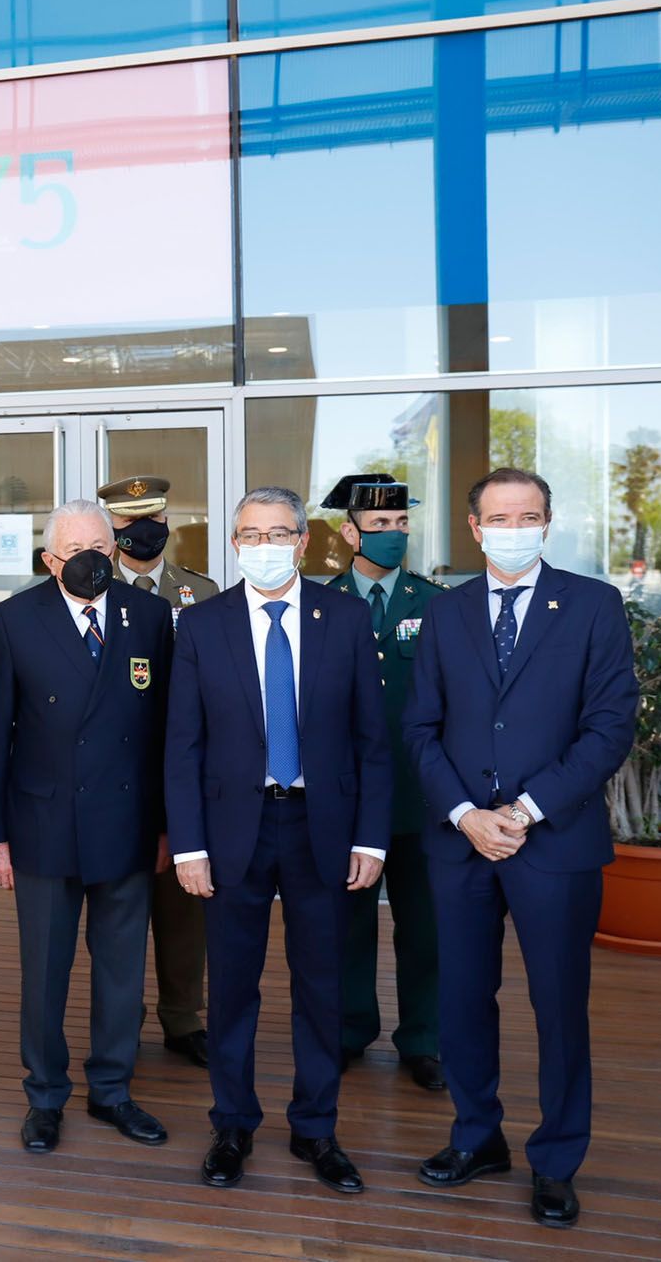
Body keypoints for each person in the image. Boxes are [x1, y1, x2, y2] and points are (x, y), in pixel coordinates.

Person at [403, 467, 638, 1230]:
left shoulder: (595, 605)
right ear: (474, 527)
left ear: (547, 521)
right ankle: (477, 1137)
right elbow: (421, 727)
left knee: (558, 1005)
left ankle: (557, 1159)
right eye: (498, 516)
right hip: (462, 841)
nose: (513, 527)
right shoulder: (445, 613)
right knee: (463, 999)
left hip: (555, 841)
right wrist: (469, 813)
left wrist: (527, 809)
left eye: (527, 515)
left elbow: (610, 727)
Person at [165, 486, 390, 1194]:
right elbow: (183, 745)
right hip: (234, 830)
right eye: (249, 533)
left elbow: (372, 743)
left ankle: (316, 1128)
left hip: (322, 829)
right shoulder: (201, 626)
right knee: (232, 987)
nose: (264, 544)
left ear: (303, 542)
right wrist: (188, 846)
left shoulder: (346, 619)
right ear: (235, 544)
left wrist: (372, 838)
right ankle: (232, 1122)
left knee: (322, 986)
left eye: (278, 532)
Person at [0, 500, 173, 1155]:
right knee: (45, 972)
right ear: (48, 560)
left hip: (128, 820)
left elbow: (166, 730)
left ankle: (113, 1087)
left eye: (101, 544)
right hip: (42, 824)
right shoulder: (12, 621)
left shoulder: (148, 615)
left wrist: (169, 826)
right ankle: (46, 1094)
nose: (92, 557)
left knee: (122, 969)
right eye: (75, 549)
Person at [319, 474, 447, 1092]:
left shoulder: (437, 603)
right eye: (379, 527)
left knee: (426, 926)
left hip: (424, 797)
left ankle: (425, 1039)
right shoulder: (323, 605)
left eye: (401, 525)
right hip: (347, 799)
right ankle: (348, 1030)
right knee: (348, 925)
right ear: (350, 533)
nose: (393, 536)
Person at [100, 474, 218, 1069]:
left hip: (185, 772)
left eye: (154, 520)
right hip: (116, 772)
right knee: (120, 904)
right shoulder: (89, 589)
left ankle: (183, 1017)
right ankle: (122, 1018)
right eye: (128, 524)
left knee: (183, 904)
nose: (144, 532)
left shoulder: (202, 591)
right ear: (112, 530)